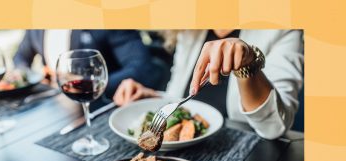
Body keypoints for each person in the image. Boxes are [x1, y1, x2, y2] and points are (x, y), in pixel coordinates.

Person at [113, 30, 304, 139]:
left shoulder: (281, 29)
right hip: (187, 157)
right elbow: (180, 96)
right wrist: (153, 97)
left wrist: (247, 65)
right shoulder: (190, 28)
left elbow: (275, 127)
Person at [13, 30, 161, 98]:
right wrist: (25, 75)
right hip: (50, 104)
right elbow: (20, 58)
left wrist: (90, 85)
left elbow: (142, 67)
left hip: (100, 105)